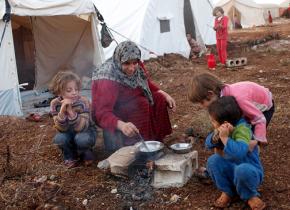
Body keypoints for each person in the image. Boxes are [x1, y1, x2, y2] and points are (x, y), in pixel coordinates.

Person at [92, 41, 176, 153]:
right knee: (141, 103)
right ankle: (138, 146)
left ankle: (156, 141)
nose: (132, 68)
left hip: (131, 100)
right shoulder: (108, 79)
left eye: (134, 63)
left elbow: (146, 82)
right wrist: (122, 125)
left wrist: (163, 93)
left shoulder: (138, 64)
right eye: (126, 63)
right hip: (113, 110)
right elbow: (101, 113)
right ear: (119, 60)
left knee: (159, 98)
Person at [205, 96, 265, 209]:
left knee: (242, 170)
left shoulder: (243, 130)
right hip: (232, 169)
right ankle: (227, 191)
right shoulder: (221, 128)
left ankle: (250, 195)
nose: (212, 123)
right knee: (213, 160)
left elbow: (238, 153)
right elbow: (208, 144)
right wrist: (215, 136)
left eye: (213, 121)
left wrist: (225, 138)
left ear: (225, 123)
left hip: (250, 171)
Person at [188, 73, 274, 146]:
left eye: (202, 102)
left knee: (248, 137)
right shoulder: (221, 96)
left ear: (210, 94)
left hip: (264, 106)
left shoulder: (239, 100)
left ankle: (252, 160)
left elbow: (259, 118)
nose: (202, 106)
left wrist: (258, 140)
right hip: (247, 105)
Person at [50, 71, 96, 168]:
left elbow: (82, 127)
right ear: (59, 91)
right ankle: (69, 155)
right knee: (59, 138)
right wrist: (62, 110)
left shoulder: (83, 101)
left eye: (76, 89)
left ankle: (85, 151)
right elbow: (60, 129)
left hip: (86, 131)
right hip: (68, 131)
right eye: (69, 90)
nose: (74, 92)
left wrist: (70, 111)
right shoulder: (55, 103)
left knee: (81, 139)